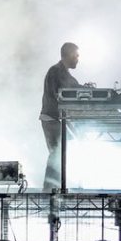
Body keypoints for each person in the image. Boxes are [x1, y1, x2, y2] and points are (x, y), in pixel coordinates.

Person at [40, 42, 82, 190]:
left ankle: (55, 187)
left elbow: (77, 88)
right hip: (52, 118)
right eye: (76, 56)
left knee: (61, 152)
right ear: (69, 55)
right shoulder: (55, 71)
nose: (78, 59)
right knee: (57, 151)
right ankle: (49, 189)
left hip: (57, 119)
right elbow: (55, 97)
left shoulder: (65, 74)